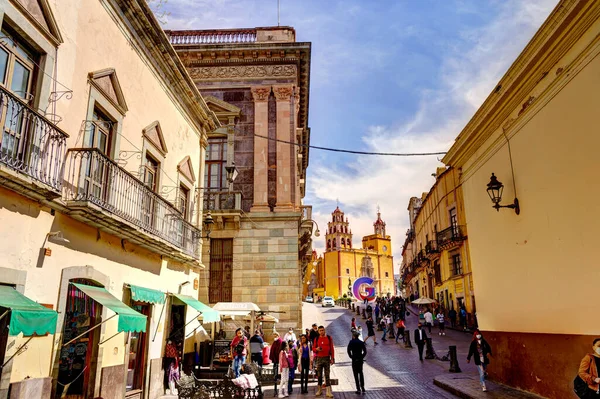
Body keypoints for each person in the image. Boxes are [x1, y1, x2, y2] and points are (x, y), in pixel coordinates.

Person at [313, 325, 335, 398]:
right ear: (318, 331)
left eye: (322, 330)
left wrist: (332, 358)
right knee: (319, 375)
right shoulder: (316, 339)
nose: (321, 331)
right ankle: (319, 390)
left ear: (324, 330)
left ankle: (328, 392)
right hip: (319, 358)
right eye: (320, 330)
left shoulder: (329, 338)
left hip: (326, 358)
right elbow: (313, 348)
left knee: (327, 375)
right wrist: (317, 349)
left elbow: (331, 348)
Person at [347, 329, 367, 394]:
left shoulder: (351, 342)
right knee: (361, 373)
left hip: (354, 359)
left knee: (355, 374)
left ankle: (358, 388)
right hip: (360, 359)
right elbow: (365, 351)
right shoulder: (361, 342)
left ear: (353, 336)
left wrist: (351, 356)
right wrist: (362, 357)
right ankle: (363, 387)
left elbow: (348, 350)